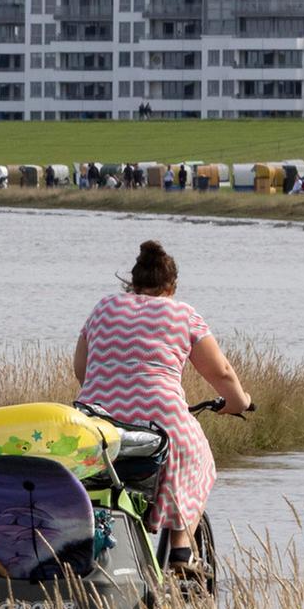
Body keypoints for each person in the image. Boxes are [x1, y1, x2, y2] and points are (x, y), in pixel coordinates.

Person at [74, 241, 252, 577]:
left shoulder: (104, 306)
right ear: (171, 287)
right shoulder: (183, 314)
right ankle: (181, 551)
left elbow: (81, 368)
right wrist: (238, 401)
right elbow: (222, 372)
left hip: (97, 422)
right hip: (158, 417)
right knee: (195, 457)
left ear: (131, 282)